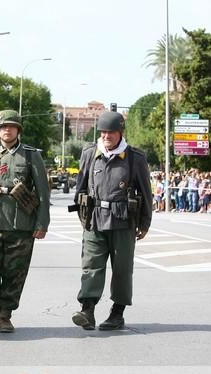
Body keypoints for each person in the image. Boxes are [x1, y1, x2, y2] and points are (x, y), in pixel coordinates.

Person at [0, 110, 50, 333]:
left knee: (15, 273)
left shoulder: (31, 155)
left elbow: (43, 192)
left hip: (21, 224)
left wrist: (42, 223)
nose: (7, 129)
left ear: (18, 130)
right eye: (3, 126)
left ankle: (5, 315)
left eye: (12, 126)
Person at [71, 111, 152, 331]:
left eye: (111, 132)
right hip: (94, 221)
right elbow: (80, 187)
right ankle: (87, 310)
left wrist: (144, 224)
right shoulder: (90, 153)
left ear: (120, 133)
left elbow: (146, 193)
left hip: (123, 222)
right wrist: (82, 215)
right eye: (104, 132)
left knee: (122, 269)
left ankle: (117, 313)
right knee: (91, 266)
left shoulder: (135, 158)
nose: (107, 136)